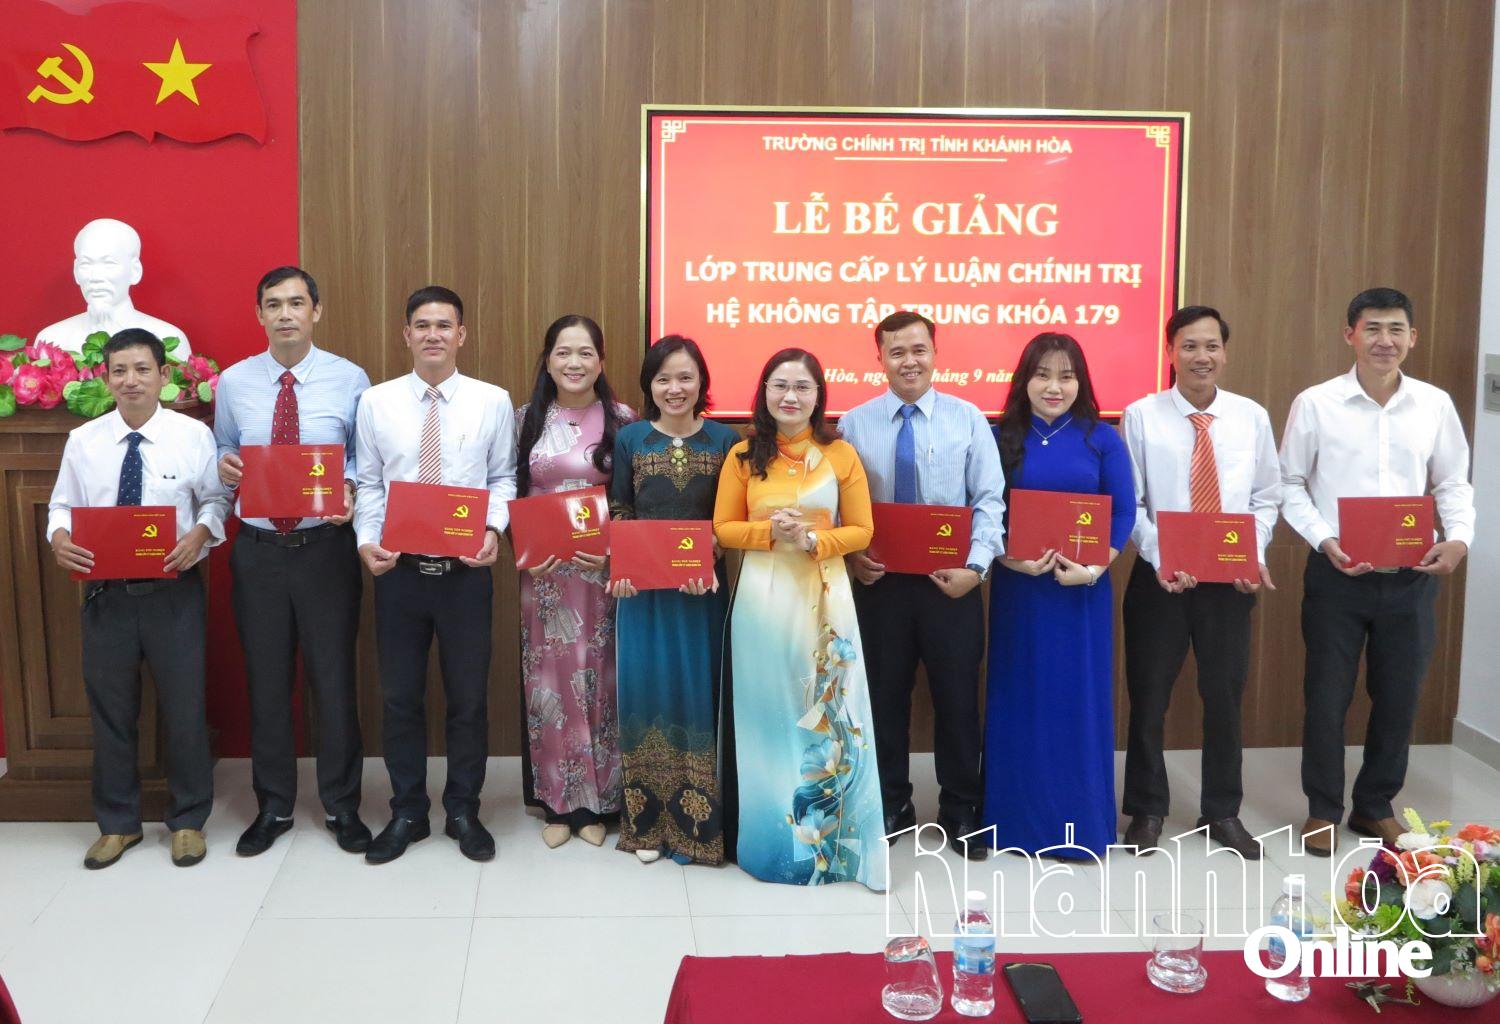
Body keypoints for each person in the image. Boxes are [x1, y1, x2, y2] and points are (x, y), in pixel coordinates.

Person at [1280, 287, 1474, 856]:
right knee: (1327, 696)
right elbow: (1289, 483)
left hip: (1411, 575)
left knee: (1398, 696)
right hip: (1337, 575)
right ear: (1350, 335)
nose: (1384, 340)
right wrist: (1325, 539)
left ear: (1413, 337)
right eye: (1372, 328)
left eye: (1395, 329)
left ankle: (1375, 805)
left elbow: (1453, 482)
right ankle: (1322, 809)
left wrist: (1458, 538)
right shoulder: (1316, 403)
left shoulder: (1434, 404)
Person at [48, 328, 230, 869]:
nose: (131, 380)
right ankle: (118, 824)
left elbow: (215, 500)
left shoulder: (191, 436)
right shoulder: (84, 441)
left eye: (142, 369)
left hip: (174, 593)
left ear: (163, 375)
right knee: (111, 712)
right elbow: (61, 505)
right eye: (119, 371)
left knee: (185, 708)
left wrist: (201, 534)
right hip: (106, 596)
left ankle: (189, 820)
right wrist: (59, 538)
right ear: (105, 379)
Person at [353, 285, 516, 864]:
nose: (433, 335)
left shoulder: (492, 401)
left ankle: (464, 810)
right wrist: (366, 540)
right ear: (406, 334)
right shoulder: (376, 402)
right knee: (400, 698)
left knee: (468, 699)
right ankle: (407, 812)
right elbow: (368, 483)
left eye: (444, 325)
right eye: (422, 325)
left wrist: (492, 529)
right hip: (398, 573)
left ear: (461, 335)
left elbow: (503, 478)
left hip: (465, 575)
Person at [713, 348, 886, 890]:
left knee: (828, 711)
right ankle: (773, 848)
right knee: (767, 715)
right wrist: (770, 532)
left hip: (824, 595)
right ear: (764, 392)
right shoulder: (744, 454)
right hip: (762, 601)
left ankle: (834, 850)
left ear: (818, 396)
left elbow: (862, 530)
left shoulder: (840, 454)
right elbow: (723, 528)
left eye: (802, 387)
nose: (790, 396)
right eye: (780, 385)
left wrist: (814, 539)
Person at [213, 266, 371, 857]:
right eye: (274, 304)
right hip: (258, 552)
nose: (285, 314)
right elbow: (224, 446)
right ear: (259, 314)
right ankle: (274, 806)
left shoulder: (350, 378)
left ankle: (342, 805)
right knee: (268, 682)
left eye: (296, 303)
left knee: (334, 681)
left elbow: (363, 457)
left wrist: (348, 487)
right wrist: (226, 463)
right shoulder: (234, 382)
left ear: (316, 311)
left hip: (324, 550)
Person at [838, 310, 1005, 860]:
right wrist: (854, 556)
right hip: (880, 585)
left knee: (957, 699)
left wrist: (976, 568)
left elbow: (989, 501)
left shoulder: (968, 419)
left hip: (950, 585)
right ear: (880, 359)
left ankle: (961, 809)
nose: (908, 361)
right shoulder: (854, 424)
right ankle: (892, 803)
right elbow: (839, 506)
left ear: (935, 353)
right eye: (896, 352)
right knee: (884, 698)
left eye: (918, 350)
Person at [1119, 306, 1281, 859]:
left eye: (1211, 345)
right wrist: (1163, 557)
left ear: (1225, 353)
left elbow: (1266, 497)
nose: (1201, 356)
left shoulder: (1251, 416)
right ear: (1170, 353)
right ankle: (1146, 809)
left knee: (1225, 698)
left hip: (1228, 584)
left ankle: (1223, 811)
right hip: (1159, 582)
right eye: (1189, 346)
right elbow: (1132, 502)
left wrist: (1251, 555)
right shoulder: (1141, 416)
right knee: (1149, 697)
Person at [982, 333, 1134, 858]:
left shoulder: (1102, 438)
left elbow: (1123, 511)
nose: (1054, 387)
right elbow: (984, 510)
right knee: (1019, 696)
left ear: (1080, 382)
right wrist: (1009, 560)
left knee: (1076, 702)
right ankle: (1011, 824)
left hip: (1080, 595)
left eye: (1066, 376)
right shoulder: (1000, 437)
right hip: (1020, 591)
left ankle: (1080, 826)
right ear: (1024, 381)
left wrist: (1094, 569)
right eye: (1042, 375)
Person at [608, 335, 738, 865]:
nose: (675, 388)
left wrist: (713, 549)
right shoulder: (631, 439)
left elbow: (730, 517)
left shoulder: (726, 441)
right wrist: (622, 568)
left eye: (685, 377)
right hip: (643, 595)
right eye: (663, 379)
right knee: (647, 691)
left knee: (697, 693)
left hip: (702, 593)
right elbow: (620, 509)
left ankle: (698, 826)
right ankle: (648, 822)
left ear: (702, 381)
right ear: (650, 385)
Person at [515, 314, 635, 849]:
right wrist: (522, 549)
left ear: (601, 361)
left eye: (586, 352)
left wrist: (614, 551)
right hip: (544, 577)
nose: (574, 362)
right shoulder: (525, 420)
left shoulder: (623, 420)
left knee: (599, 679)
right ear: (547, 360)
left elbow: (630, 500)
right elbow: (510, 490)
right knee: (550, 684)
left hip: (601, 573)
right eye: (563, 352)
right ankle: (558, 803)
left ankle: (600, 803)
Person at [37, 219, 192, 356]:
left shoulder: (167, 339)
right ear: (76, 271)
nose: (95, 277)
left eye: (109, 263)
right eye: (86, 264)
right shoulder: (52, 340)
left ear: (135, 271)